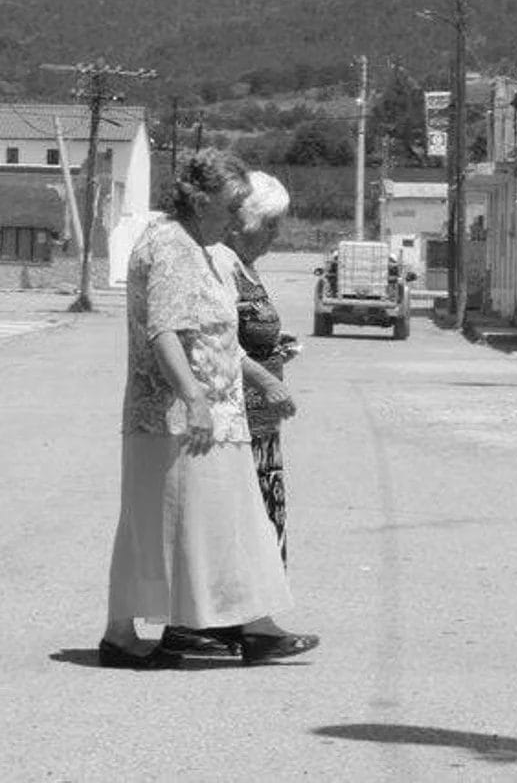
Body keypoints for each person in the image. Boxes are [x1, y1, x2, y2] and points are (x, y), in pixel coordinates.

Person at [99, 149, 319, 669]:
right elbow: (165, 331)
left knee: (224, 524)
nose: (237, 218)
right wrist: (194, 399)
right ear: (199, 201)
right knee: (178, 527)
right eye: (229, 206)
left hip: (211, 418)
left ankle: (249, 627)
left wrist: (265, 381)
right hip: (178, 420)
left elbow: (217, 338)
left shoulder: (201, 247)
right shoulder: (173, 246)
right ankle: (130, 636)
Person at [221, 170, 296, 561]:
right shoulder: (225, 265)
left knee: (269, 517)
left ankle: (260, 616)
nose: (275, 235)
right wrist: (266, 379)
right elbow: (217, 339)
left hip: (263, 424)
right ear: (242, 224)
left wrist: (277, 347)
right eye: (269, 225)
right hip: (239, 422)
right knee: (246, 522)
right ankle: (243, 616)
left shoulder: (249, 266)